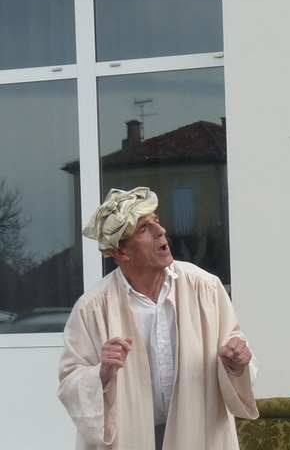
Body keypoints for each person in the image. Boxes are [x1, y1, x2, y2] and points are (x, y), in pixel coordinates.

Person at [57, 187, 258, 450]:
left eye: (157, 221)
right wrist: (101, 373)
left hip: (197, 433)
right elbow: (70, 383)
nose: (160, 231)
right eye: (144, 228)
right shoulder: (92, 309)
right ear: (120, 253)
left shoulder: (205, 288)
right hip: (129, 438)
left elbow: (236, 348)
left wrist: (237, 362)